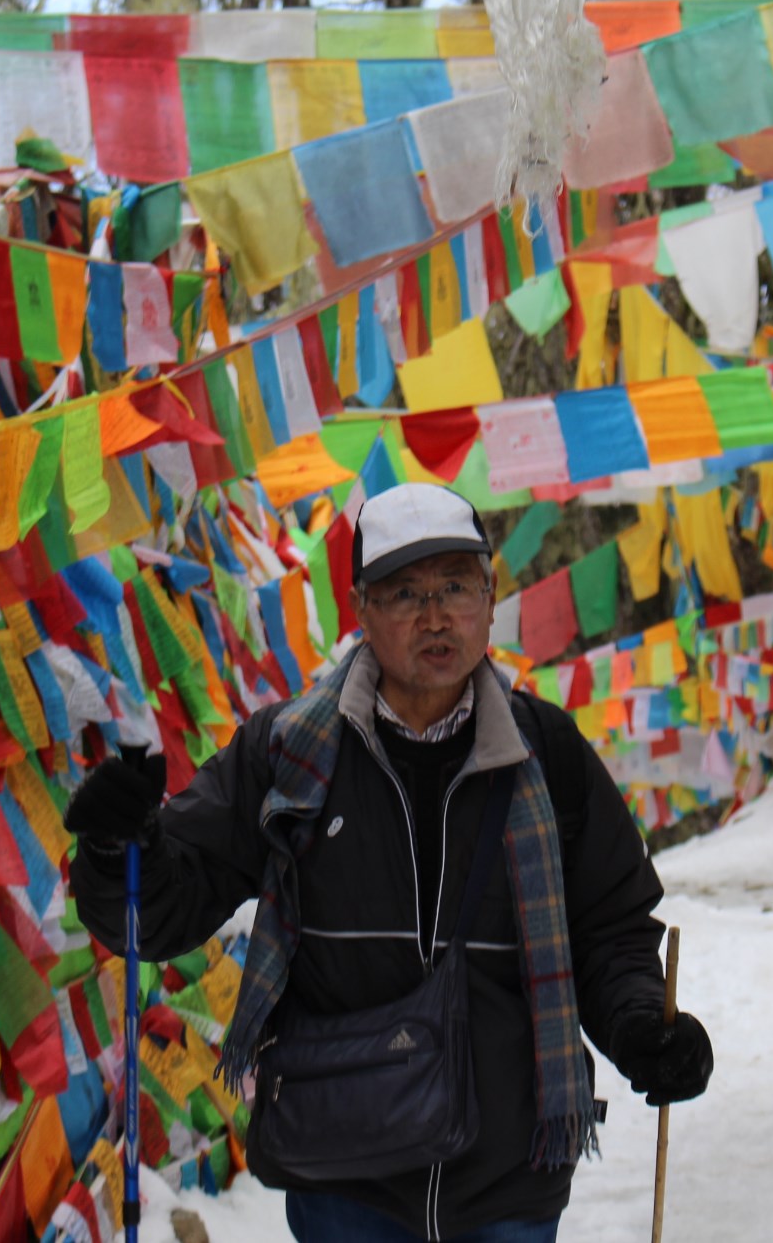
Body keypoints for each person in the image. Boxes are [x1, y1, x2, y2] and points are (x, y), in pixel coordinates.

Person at [67, 482, 712, 1242]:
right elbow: (162, 909)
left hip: (506, 1172)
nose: (435, 615)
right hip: (346, 1174)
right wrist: (119, 849)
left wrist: (640, 1022)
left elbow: (610, 926)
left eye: (455, 587)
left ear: (490, 595)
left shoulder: (549, 755)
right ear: (362, 610)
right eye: (405, 592)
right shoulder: (286, 753)